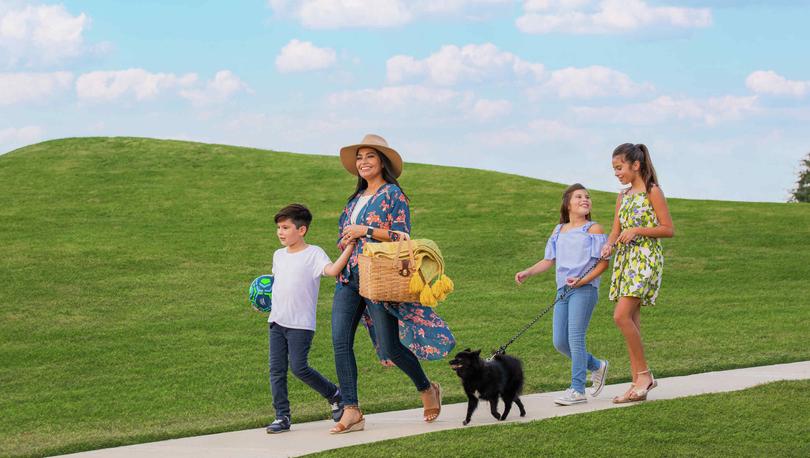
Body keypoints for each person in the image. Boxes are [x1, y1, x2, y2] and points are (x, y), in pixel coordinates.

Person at [330, 134, 456, 434]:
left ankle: (426, 388)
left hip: (378, 277)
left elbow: (403, 238)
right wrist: (345, 247)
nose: (363, 162)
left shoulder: (393, 195)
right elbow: (344, 237)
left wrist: (366, 230)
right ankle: (352, 410)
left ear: (382, 162)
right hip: (349, 277)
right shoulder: (353, 201)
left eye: (369, 157)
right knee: (339, 342)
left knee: (391, 347)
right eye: (359, 158)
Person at [515, 183, 610, 405]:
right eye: (579, 197)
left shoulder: (593, 229)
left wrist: (582, 281)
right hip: (563, 291)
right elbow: (549, 260)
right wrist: (528, 272)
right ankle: (597, 366)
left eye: (587, 197)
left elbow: (603, 264)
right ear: (567, 203)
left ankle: (577, 390)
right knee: (560, 342)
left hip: (584, 289)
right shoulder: (558, 230)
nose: (585, 200)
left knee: (576, 338)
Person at [265, 204, 355, 433]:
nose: (280, 232)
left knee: (298, 367)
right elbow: (278, 285)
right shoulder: (278, 255)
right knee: (276, 371)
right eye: (278, 227)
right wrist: (264, 304)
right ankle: (282, 416)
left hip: (300, 324)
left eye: (285, 227)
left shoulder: (313, 253)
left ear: (302, 230)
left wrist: (350, 249)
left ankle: (334, 394)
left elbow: (333, 270)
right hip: (276, 322)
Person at [600, 143, 675, 404]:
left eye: (619, 168)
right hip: (625, 260)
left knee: (620, 316)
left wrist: (638, 230)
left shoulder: (653, 192)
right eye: (614, 169)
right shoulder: (622, 196)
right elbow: (615, 229)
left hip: (645, 259)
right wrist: (609, 244)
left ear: (636, 165)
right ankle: (637, 385)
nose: (617, 173)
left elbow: (668, 229)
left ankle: (644, 376)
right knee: (632, 320)